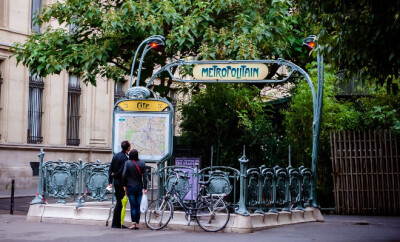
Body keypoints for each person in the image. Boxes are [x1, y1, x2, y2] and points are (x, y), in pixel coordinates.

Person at [122, 149, 147, 230]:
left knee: (133, 206)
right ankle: (137, 224)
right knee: (138, 206)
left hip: (130, 187)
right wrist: (145, 187)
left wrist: (124, 185)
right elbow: (145, 177)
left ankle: (133, 224)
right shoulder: (142, 163)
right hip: (139, 186)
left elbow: (124, 175)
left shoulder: (127, 163)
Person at [108, 140, 131, 229]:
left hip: (116, 182)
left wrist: (110, 180)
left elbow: (110, 169)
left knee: (119, 202)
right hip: (122, 183)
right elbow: (122, 171)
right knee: (120, 203)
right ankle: (116, 223)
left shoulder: (116, 156)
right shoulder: (125, 158)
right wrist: (115, 175)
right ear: (128, 148)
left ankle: (115, 222)